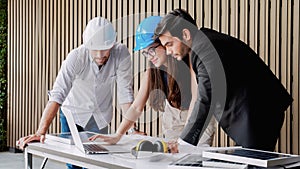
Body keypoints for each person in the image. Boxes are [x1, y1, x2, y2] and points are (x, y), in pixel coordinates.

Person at [153, 9, 293, 151]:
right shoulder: (203, 44)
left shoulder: (205, 49)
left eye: (169, 44)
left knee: (253, 163)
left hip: (258, 113)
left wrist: (184, 143)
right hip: (252, 114)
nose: (168, 52)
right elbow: (201, 97)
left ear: (185, 34)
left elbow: (205, 98)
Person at [17, 17, 135, 169]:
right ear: (87, 45)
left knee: (97, 163)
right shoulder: (76, 57)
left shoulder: (121, 54)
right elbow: (58, 93)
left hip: (100, 117)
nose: (99, 55)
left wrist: (131, 129)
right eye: (95, 49)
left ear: (113, 44)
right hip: (73, 115)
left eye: (105, 49)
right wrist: (41, 131)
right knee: (74, 164)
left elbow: (125, 93)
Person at [89, 16, 216, 146]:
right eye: (145, 53)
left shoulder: (188, 61)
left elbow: (196, 101)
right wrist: (118, 135)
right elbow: (136, 107)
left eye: (151, 50)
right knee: (172, 158)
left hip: (197, 113)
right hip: (173, 114)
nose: (150, 57)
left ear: (163, 42)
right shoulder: (152, 72)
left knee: (193, 154)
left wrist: (185, 140)